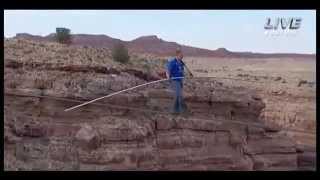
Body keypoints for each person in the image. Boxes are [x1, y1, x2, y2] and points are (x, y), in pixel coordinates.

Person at [166, 48, 186, 114]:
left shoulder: (181, 63)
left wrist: (183, 76)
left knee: (179, 95)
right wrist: (168, 77)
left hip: (180, 81)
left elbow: (182, 71)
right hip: (174, 80)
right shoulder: (172, 62)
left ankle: (177, 110)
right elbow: (168, 71)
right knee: (178, 95)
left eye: (182, 55)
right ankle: (178, 110)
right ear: (177, 55)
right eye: (181, 55)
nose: (182, 56)